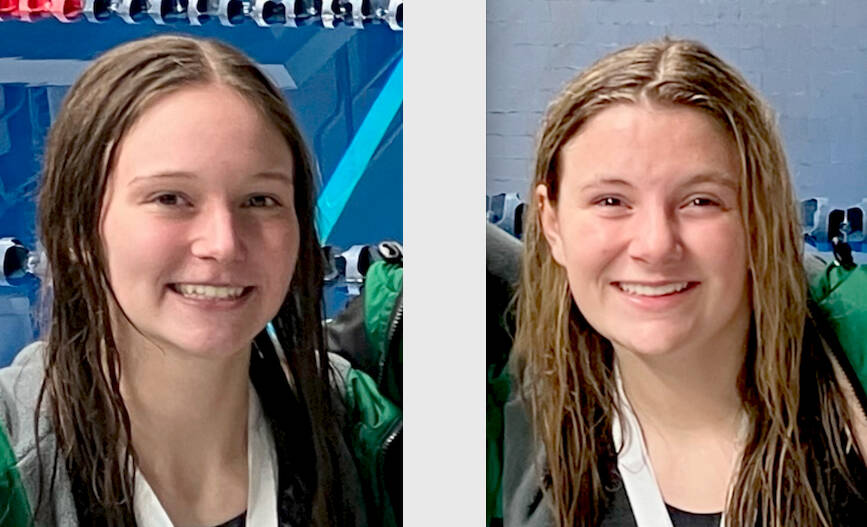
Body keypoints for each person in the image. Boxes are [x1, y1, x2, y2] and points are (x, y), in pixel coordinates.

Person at [0, 35, 399, 527]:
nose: (223, 243)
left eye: (260, 200)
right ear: (78, 230)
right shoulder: (12, 467)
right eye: (170, 198)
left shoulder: (358, 433)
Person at [502, 38, 867, 527]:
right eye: (611, 201)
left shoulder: (854, 376)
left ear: (761, 218)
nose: (655, 245)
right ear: (552, 225)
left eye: (700, 201)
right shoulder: (518, 431)